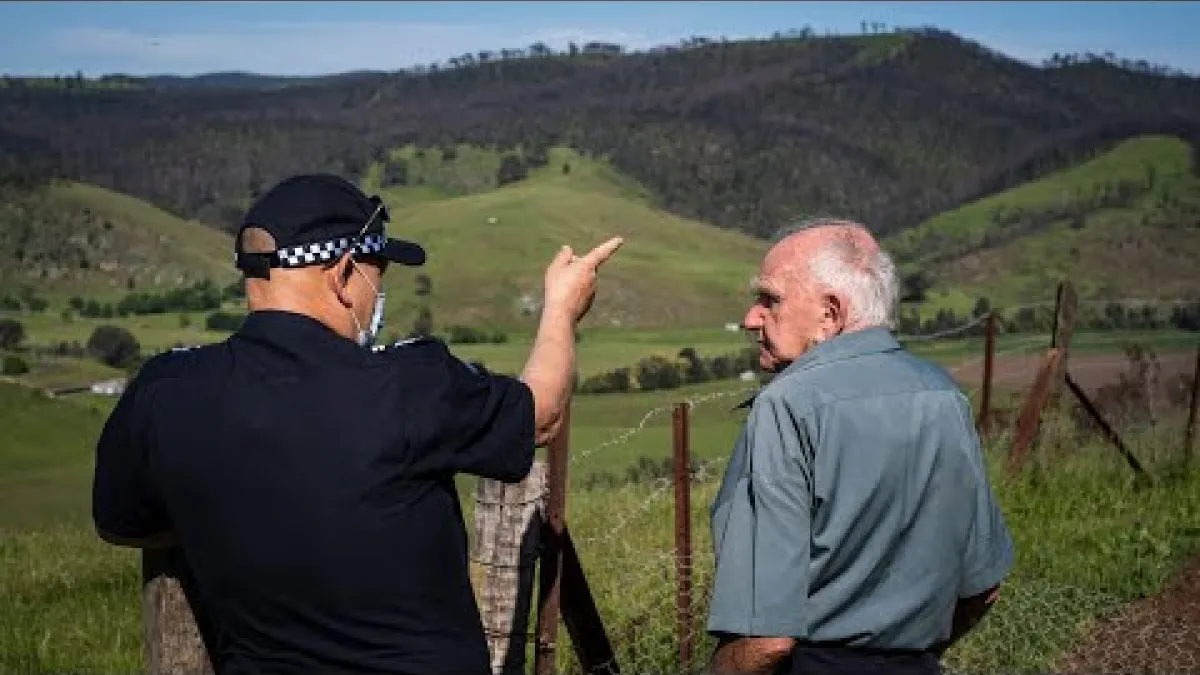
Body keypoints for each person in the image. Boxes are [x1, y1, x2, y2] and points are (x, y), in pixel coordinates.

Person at [91, 173, 623, 675]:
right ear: (345, 273)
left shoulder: (167, 392)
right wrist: (561, 309)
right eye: (378, 275)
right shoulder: (411, 385)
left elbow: (120, 524)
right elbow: (542, 411)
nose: (378, 296)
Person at [702, 219, 1014, 675]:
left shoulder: (786, 404)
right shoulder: (943, 395)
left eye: (771, 299)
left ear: (830, 313)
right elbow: (983, 589)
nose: (752, 318)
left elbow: (765, 641)